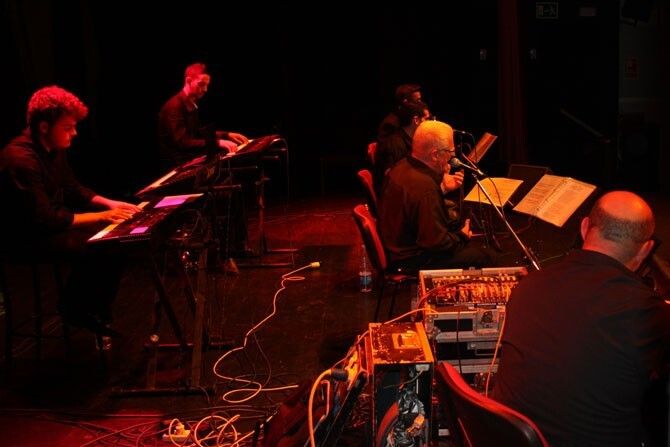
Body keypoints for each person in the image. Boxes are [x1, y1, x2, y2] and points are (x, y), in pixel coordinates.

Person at [493, 191, 670, 446]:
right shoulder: (649, 312)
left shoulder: (527, 286)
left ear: (585, 227)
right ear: (646, 250)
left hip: (508, 438)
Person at [0, 85, 142, 336]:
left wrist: (109, 203)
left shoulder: (53, 150)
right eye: (67, 127)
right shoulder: (21, 159)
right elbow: (44, 218)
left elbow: (72, 188)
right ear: (44, 127)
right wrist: (101, 216)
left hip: (48, 226)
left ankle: (92, 310)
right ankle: (77, 309)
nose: (74, 133)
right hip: (25, 237)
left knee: (115, 238)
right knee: (98, 245)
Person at [377, 120, 495, 272]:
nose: (453, 157)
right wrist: (462, 236)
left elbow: (414, 208)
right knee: (485, 256)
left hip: (398, 246)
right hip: (412, 260)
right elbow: (436, 243)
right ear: (435, 155)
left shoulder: (402, 165)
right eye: (450, 152)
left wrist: (442, 188)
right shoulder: (425, 187)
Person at [157, 62, 249, 168]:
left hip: (188, 161)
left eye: (207, 85)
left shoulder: (191, 102)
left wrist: (226, 135)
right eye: (201, 84)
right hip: (175, 168)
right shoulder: (174, 106)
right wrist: (217, 142)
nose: (205, 89)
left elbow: (197, 133)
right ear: (188, 81)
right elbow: (182, 142)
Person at [373, 99, 430, 195]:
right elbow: (392, 181)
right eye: (427, 119)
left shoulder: (410, 139)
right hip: (395, 198)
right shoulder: (395, 144)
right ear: (416, 120)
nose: (429, 123)